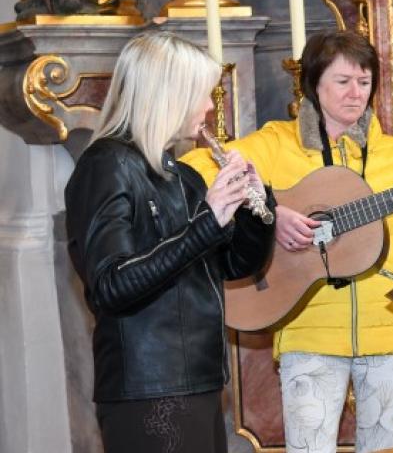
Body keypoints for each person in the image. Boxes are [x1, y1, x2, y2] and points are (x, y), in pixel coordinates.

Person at [181, 30, 393, 453]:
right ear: (313, 84)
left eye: (364, 82)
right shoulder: (274, 144)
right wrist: (267, 211)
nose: (356, 93)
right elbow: (194, 171)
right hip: (308, 331)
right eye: (343, 81)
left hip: (389, 330)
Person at [64, 31, 276, 453]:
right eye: (202, 94)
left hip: (198, 378)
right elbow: (111, 285)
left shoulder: (183, 176)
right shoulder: (106, 165)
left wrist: (255, 208)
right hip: (148, 389)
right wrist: (206, 223)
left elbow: (236, 265)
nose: (210, 107)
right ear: (169, 94)